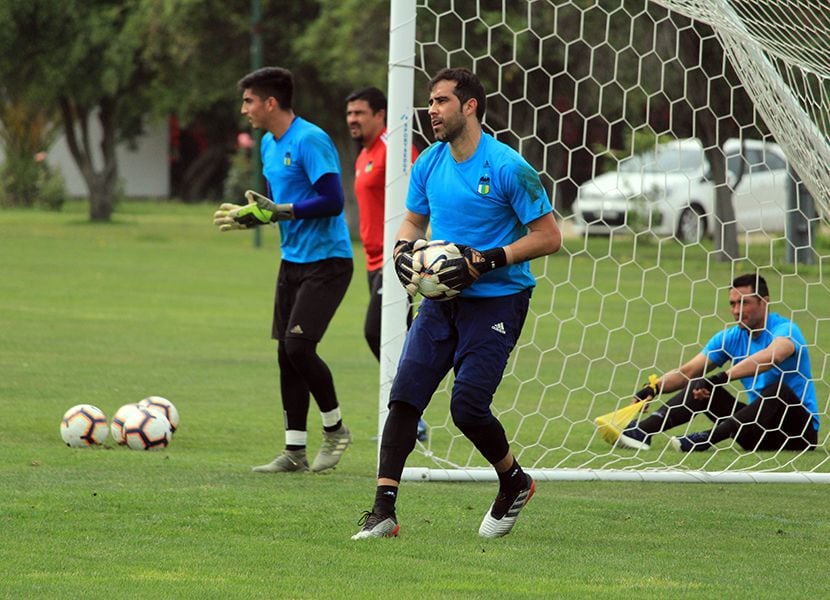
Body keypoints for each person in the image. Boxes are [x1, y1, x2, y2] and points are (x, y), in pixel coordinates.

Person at [351, 68, 562, 540]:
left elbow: (549, 237)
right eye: (431, 102)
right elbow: (411, 221)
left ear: (470, 107)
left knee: (467, 408)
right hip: (440, 302)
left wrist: (488, 260)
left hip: (499, 301)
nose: (432, 110)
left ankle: (514, 481)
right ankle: (383, 511)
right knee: (404, 399)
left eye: (442, 101)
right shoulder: (428, 163)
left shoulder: (509, 167)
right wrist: (404, 252)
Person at [213, 66, 354, 473]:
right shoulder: (269, 145)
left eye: (249, 101)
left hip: (328, 261)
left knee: (299, 347)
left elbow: (332, 201)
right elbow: (274, 208)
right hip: (292, 261)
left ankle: (336, 430)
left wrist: (281, 211)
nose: (245, 110)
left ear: (270, 102)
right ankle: (294, 451)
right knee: (285, 354)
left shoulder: (310, 140)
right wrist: (249, 217)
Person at [612, 273, 819, 453]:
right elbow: (688, 371)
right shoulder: (731, 337)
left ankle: (706, 439)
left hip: (798, 434)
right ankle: (642, 432)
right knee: (699, 383)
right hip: (755, 432)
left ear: (764, 302)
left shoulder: (786, 329)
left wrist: (721, 377)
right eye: (732, 304)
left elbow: (772, 356)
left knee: (776, 391)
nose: (737, 310)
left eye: (744, 303)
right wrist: (653, 388)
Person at [345, 86, 426, 441]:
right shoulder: (364, 155)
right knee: (395, 337)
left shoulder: (396, 149)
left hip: (397, 261)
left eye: (360, 113)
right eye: (349, 114)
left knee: (377, 332)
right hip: (372, 262)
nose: (352, 119)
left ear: (381, 115)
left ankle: (410, 413)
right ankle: (410, 411)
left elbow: (424, 189)